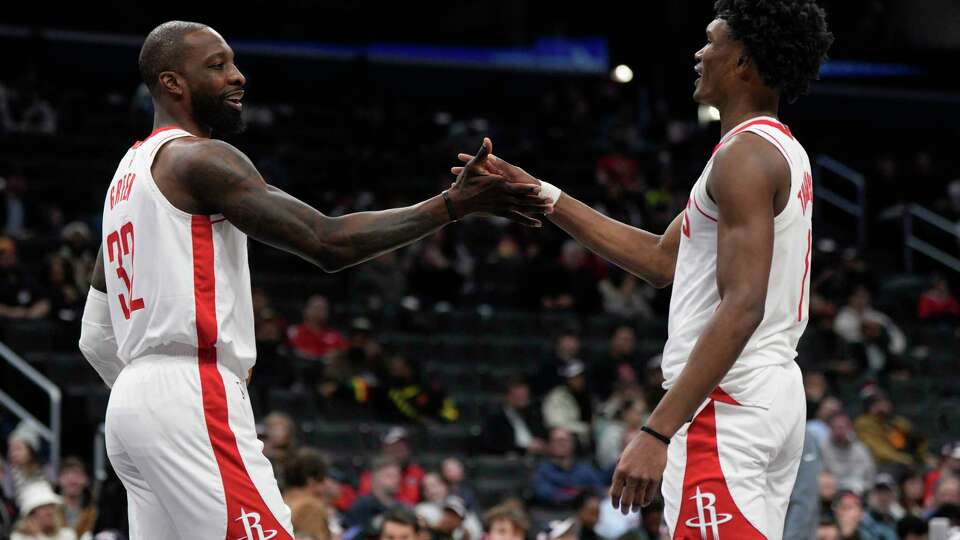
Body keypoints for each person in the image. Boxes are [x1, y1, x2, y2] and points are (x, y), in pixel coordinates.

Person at [76, 20, 546, 539]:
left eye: (233, 62)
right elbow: (327, 241)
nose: (238, 77)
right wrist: (452, 205)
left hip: (131, 409)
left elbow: (94, 335)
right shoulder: (199, 158)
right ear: (172, 83)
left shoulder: (125, 177)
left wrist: (144, 393)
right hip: (190, 389)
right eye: (217, 66)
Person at [453, 2, 833, 536]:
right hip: (766, 395)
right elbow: (660, 260)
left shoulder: (742, 158)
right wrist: (541, 193)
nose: (700, 53)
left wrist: (656, 432)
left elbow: (743, 304)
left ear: (743, 61)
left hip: (727, 402)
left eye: (712, 41)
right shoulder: (777, 150)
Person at [532, 428, 605, 508]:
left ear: (573, 444)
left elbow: (600, 491)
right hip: (552, 513)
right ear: (550, 445)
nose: (561, 444)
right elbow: (544, 494)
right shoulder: (543, 470)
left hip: (585, 513)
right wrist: (579, 492)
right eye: (557, 441)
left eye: (565, 440)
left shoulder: (585, 469)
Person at [479, 377, 547, 456]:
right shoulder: (496, 419)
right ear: (508, 396)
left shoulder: (533, 415)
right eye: (519, 397)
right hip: (510, 461)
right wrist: (524, 449)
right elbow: (494, 445)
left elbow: (542, 436)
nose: (524, 400)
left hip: (537, 458)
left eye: (525, 396)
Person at [359, 428, 425, 505]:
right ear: (385, 449)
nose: (400, 450)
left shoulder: (417, 473)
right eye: (394, 447)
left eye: (403, 446)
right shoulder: (371, 475)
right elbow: (366, 502)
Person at [820, 412, 876, 495]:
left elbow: (871, 476)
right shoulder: (822, 449)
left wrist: (863, 488)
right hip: (832, 494)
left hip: (859, 493)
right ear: (830, 428)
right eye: (836, 427)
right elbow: (819, 475)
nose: (839, 430)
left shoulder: (861, 449)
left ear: (850, 428)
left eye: (842, 427)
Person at [282, 447, 332, 540]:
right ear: (311, 480)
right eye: (323, 478)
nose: (326, 484)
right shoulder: (309, 508)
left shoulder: (283, 501)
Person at [542, 360, 593, 445]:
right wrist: (585, 428)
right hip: (565, 439)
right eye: (575, 377)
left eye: (581, 376)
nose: (579, 380)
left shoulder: (586, 395)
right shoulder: (557, 396)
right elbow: (557, 423)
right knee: (560, 433)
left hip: (586, 440)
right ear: (567, 379)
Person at [346, 457, 403, 530]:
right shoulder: (361, 507)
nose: (396, 480)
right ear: (375, 479)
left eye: (397, 476)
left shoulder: (402, 508)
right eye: (389, 476)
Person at [287, 295, 348, 360]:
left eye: (324, 309)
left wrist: (338, 354)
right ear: (305, 310)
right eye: (316, 308)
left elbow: (344, 351)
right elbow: (293, 351)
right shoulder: (294, 331)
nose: (319, 311)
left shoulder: (335, 335)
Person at [11, 482, 76, 540]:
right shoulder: (18, 537)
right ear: (31, 514)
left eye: (51, 506)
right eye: (43, 507)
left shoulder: (68, 535)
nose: (50, 512)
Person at [55, 457, 97, 538]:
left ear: (86, 480)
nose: (72, 479)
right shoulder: (49, 510)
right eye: (66, 474)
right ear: (59, 480)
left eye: (77, 474)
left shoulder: (96, 511)